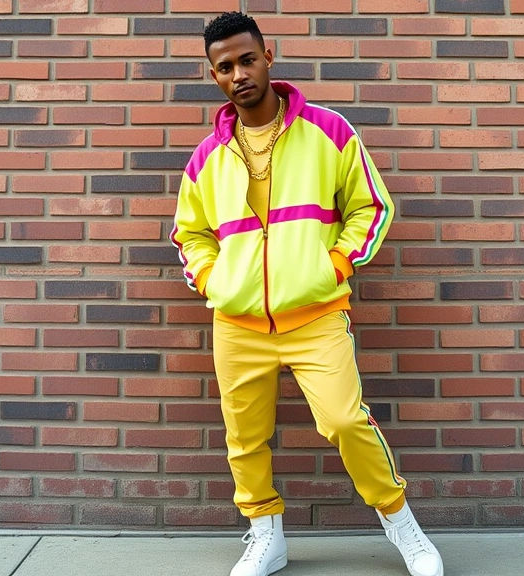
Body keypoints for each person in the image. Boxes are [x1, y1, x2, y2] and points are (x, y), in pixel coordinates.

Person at [171, 12, 444, 576]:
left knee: (346, 422)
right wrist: (213, 278)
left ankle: (404, 528)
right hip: (239, 322)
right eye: (225, 67)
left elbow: (373, 206)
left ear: (269, 55)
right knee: (243, 436)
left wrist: (336, 263)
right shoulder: (207, 156)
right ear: (214, 76)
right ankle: (266, 535)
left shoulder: (328, 131)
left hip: (316, 314)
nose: (239, 73)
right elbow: (189, 232)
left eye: (247, 59)